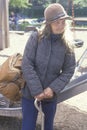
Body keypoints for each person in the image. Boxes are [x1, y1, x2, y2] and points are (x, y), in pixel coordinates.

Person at [21, 3, 76, 130]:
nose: (61, 25)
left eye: (63, 22)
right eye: (57, 22)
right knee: (28, 127)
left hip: (50, 97)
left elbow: (69, 69)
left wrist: (52, 89)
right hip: (30, 95)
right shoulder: (36, 37)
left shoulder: (67, 44)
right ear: (48, 24)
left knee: (48, 127)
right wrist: (37, 91)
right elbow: (27, 64)